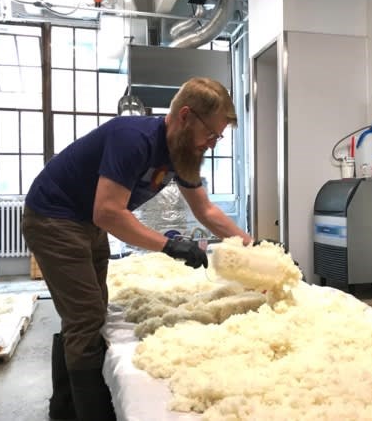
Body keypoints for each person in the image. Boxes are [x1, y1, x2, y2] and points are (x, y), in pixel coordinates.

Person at [22, 77, 252, 421]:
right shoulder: (134, 139)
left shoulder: (181, 153)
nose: (212, 144)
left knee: (91, 309)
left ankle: (64, 405)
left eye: (218, 138)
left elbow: (206, 210)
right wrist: (169, 245)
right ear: (186, 116)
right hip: (54, 216)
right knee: (85, 316)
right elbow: (109, 211)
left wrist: (252, 246)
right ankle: (88, 413)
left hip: (87, 220)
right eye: (211, 135)